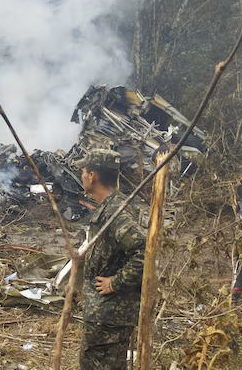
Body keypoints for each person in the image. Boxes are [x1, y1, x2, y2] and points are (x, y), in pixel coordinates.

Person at [73, 149, 146, 370]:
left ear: (93, 175)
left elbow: (144, 250)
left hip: (110, 317)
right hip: (104, 316)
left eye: (84, 171)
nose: (82, 176)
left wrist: (115, 282)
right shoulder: (110, 207)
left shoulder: (117, 212)